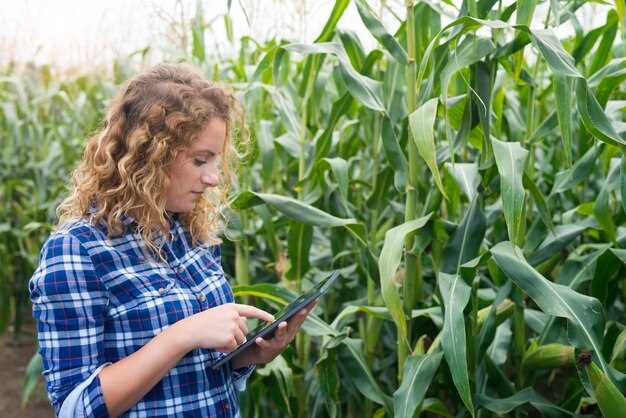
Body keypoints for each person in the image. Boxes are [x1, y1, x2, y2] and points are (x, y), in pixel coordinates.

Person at [28, 62, 316, 418]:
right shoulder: (77, 250)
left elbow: (197, 372)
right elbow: (74, 409)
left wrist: (249, 357)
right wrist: (182, 335)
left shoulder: (190, 232)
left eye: (216, 160)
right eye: (200, 160)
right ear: (150, 156)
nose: (213, 178)